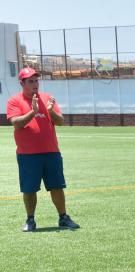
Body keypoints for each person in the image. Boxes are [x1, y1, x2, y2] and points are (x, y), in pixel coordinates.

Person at [6, 67, 79, 232]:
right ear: (22, 83)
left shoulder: (47, 98)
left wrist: (51, 111)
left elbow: (60, 121)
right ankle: (30, 220)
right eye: (30, 81)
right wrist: (33, 112)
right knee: (29, 189)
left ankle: (63, 217)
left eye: (36, 80)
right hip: (28, 155)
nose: (35, 84)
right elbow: (17, 123)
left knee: (57, 186)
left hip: (51, 152)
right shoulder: (14, 101)